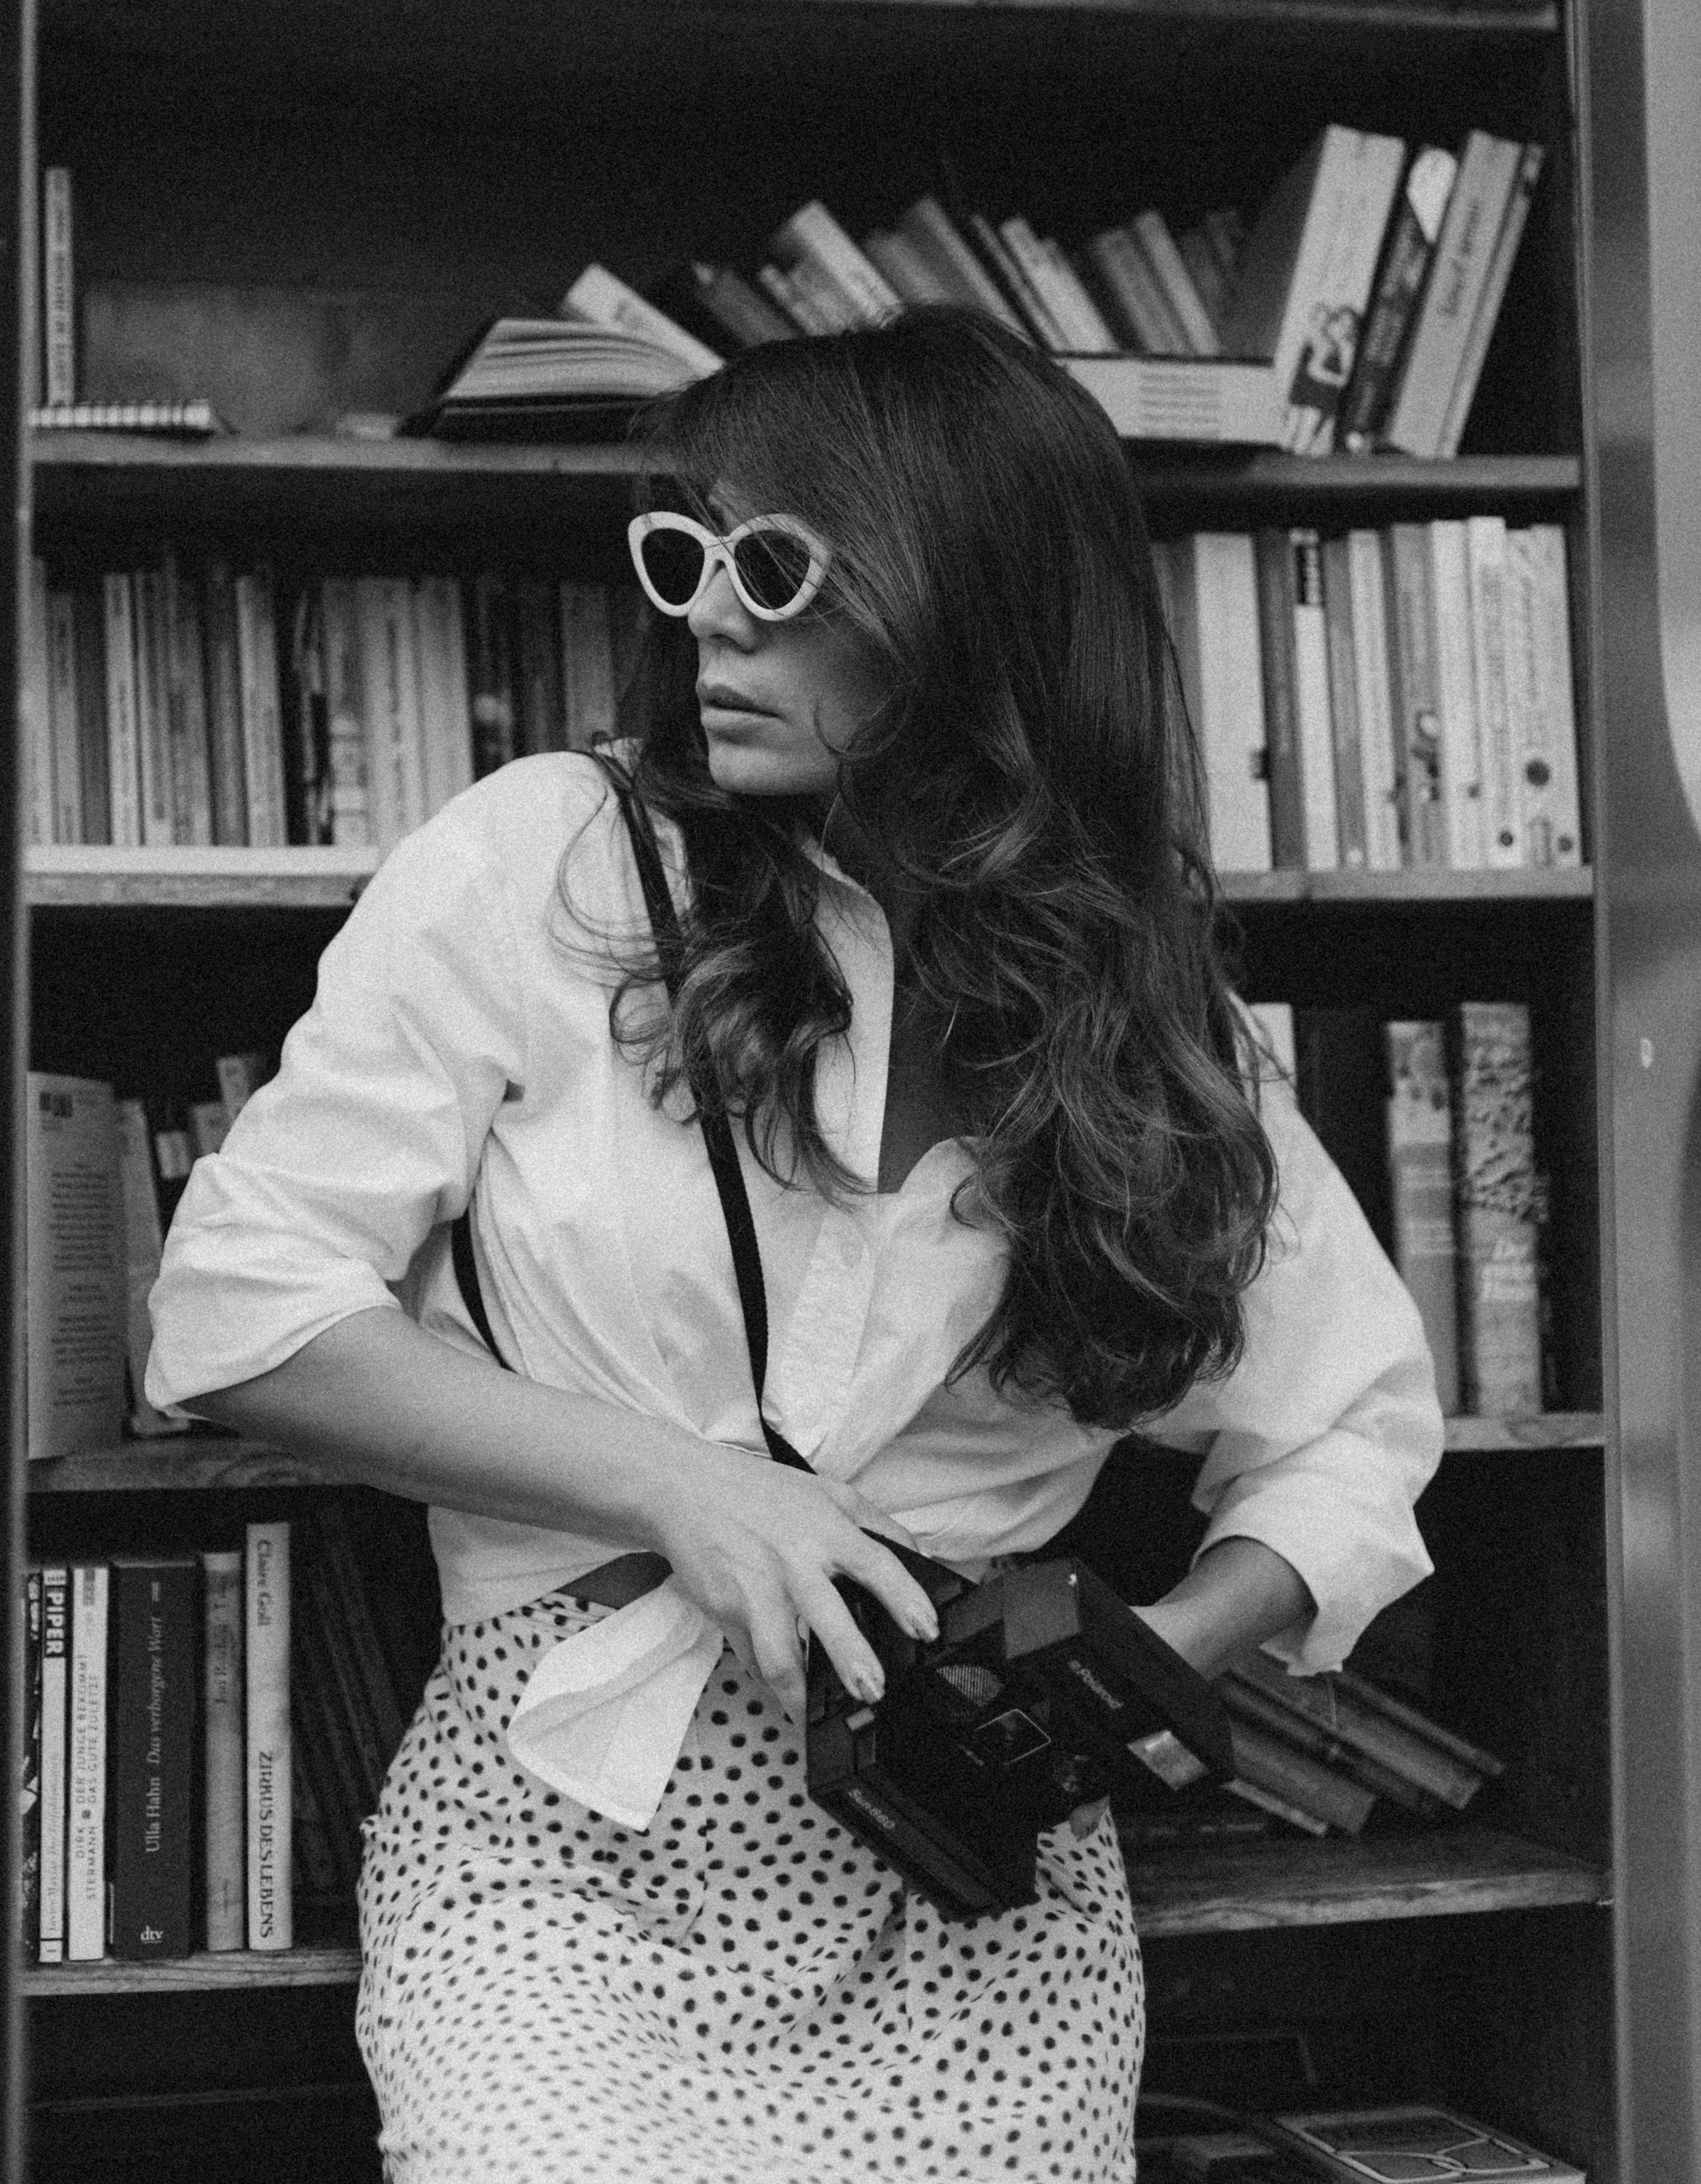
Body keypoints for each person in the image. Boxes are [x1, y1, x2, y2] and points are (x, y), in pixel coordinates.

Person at [146, 309, 1443, 2184]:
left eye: (778, 569)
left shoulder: (1139, 1010)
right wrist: (686, 1490)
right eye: (685, 558)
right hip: (562, 1829)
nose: (710, 623)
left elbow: (1350, 1429)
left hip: (971, 1880)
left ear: (968, 609)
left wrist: (1140, 1664)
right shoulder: (549, 862)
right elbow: (234, 1313)